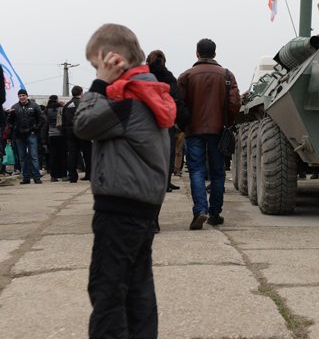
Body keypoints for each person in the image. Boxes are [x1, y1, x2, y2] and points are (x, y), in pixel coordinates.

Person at [74, 23, 175, 339]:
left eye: (97, 64)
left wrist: (98, 84)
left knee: (107, 290)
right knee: (136, 288)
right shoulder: (150, 94)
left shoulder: (127, 102)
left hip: (119, 209)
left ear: (112, 61)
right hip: (142, 208)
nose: (97, 71)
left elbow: (82, 124)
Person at [178, 38, 240, 229]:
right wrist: (226, 123)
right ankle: (215, 213)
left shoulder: (186, 76)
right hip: (218, 130)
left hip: (193, 130)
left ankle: (200, 210)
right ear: (214, 53)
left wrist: (184, 124)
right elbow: (235, 104)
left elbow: (179, 105)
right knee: (218, 172)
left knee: (196, 170)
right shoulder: (227, 75)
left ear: (197, 53)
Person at [146, 50, 181, 192]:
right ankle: (166, 182)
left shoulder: (144, 76)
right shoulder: (168, 76)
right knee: (168, 151)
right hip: (166, 119)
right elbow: (176, 97)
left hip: (147, 120)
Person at [7, 89, 43, 184]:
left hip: (31, 135)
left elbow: (41, 119)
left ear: (27, 96)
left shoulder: (35, 106)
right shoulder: (14, 107)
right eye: (20, 96)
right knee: (22, 157)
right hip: (19, 136)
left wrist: (35, 129)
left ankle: (36, 177)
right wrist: (14, 129)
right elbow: (9, 121)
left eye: (23, 95)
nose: (22, 97)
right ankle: (26, 177)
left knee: (34, 156)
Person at [62, 85, 92, 182]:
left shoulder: (66, 106)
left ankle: (72, 177)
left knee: (72, 154)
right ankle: (89, 174)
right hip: (83, 132)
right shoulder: (85, 104)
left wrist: (66, 133)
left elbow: (64, 122)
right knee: (88, 154)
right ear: (81, 93)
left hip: (71, 133)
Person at [42, 95, 67, 181]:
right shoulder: (61, 109)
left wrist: (44, 138)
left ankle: (53, 176)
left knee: (53, 155)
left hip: (51, 135)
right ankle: (64, 175)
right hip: (61, 134)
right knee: (63, 155)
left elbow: (45, 124)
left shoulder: (46, 110)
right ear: (56, 100)